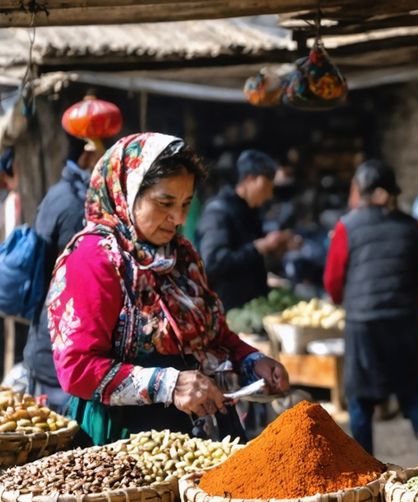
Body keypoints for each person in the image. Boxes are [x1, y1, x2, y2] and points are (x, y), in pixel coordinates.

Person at [47, 133, 290, 445]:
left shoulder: (181, 256)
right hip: (127, 441)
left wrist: (250, 360)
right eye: (165, 203)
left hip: (201, 434)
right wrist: (168, 384)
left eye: (186, 203)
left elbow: (212, 336)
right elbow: (77, 368)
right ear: (127, 193)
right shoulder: (94, 259)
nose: (178, 218)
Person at [323, 160, 418, 454]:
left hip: (362, 325)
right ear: (387, 193)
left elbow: (332, 282)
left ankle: (367, 474)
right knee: (412, 395)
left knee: (360, 401)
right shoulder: (412, 226)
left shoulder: (346, 227)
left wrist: (347, 299)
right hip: (402, 322)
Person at [23, 136, 105, 412]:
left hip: (45, 341)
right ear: (87, 157)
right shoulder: (74, 205)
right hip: (56, 352)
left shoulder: (57, 193)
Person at [196, 149, 291, 311]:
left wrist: (274, 248)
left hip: (253, 306)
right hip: (228, 312)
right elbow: (212, 262)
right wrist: (257, 248)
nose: (269, 193)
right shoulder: (218, 211)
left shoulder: (250, 211)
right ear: (250, 179)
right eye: (266, 185)